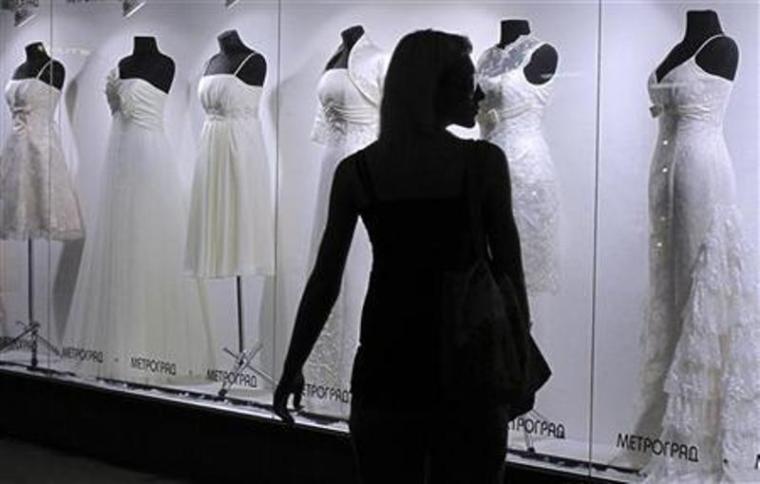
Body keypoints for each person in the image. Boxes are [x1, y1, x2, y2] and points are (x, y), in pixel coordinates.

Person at [274, 29, 530, 484]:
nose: (478, 93)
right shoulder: (483, 165)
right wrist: (519, 363)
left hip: (388, 358)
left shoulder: (359, 172)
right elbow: (509, 273)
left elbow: (324, 280)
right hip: (467, 361)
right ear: (433, 89)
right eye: (465, 81)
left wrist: (293, 365)